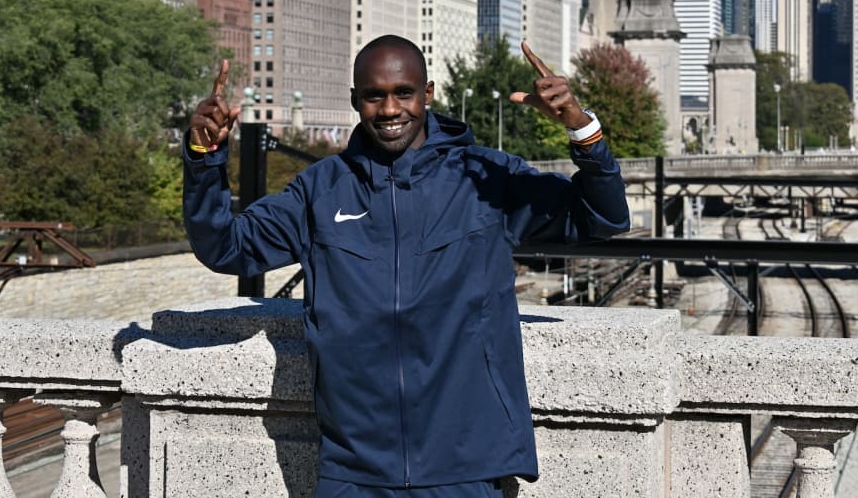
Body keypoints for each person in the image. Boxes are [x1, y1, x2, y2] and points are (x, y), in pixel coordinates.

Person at [184, 35, 629, 497]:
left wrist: (583, 131)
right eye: (375, 96)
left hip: (467, 468)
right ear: (355, 100)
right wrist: (205, 159)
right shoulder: (320, 191)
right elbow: (225, 247)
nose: (390, 109)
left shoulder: (487, 179)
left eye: (404, 93)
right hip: (353, 472)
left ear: (428, 94)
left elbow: (604, 218)